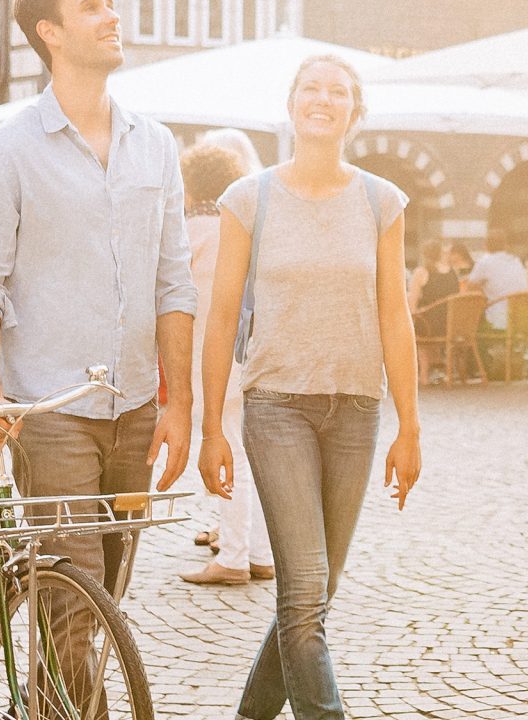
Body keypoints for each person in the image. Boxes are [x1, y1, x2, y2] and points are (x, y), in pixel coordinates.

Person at [0, 0, 198, 601]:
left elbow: (174, 284)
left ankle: (47, 698)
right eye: (92, 6)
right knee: (73, 600)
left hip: (136, 410)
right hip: (50, 411)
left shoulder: (157, 145)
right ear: (50, 33)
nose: (113, 16)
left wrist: (180, 405)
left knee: (107, 597)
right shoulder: (5, 150)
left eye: (110, 2)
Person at [198, 55, 421, 720]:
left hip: (357, 408)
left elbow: (394, 315)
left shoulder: (383, 201)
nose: (323, 100)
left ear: (355, 111)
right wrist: (213, 425)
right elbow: (219, 315)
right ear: (291, 104)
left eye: (338, 92)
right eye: (311, 89)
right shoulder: (249, 200)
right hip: (276, 409)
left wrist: (410, 426)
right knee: (303, 601)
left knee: (311, 596)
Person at [178, 142, 275, 586]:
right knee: (250, 454)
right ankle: (259, 552)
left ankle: (234, 556)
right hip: (250, 352)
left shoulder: (190, 233)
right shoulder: (242, 229)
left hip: (208, 356)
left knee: (228, 452)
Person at [463, 232, 528, 331]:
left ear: (486, 246)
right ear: (505, 246)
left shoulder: (485, 262)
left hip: (498, 320)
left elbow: (469, 290)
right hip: (522, 319)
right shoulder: (517, 261)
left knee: (468, 318)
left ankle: (475, 345)